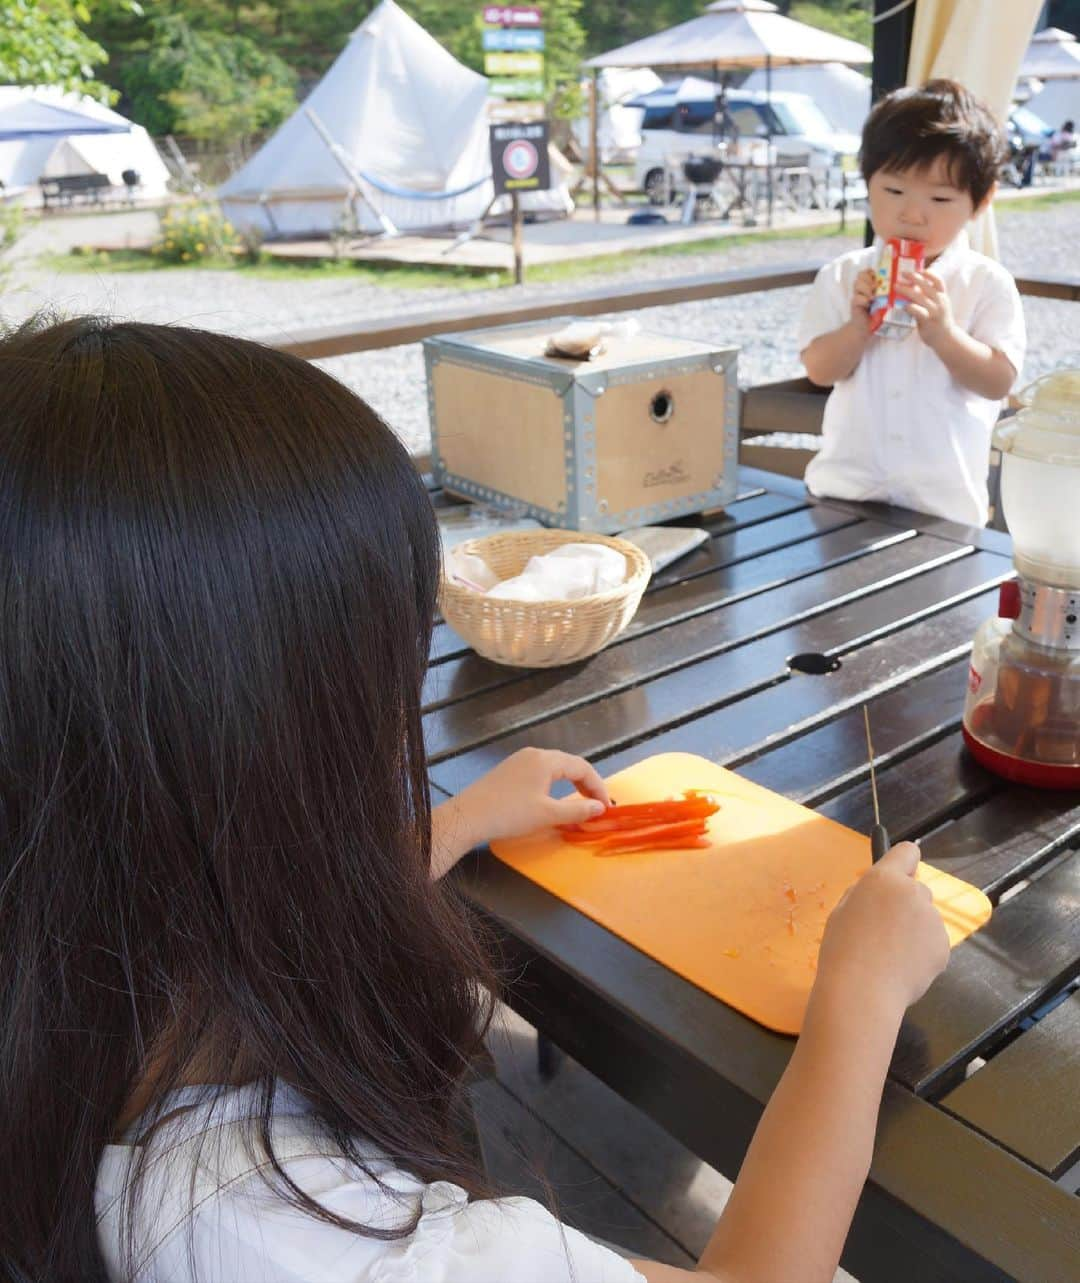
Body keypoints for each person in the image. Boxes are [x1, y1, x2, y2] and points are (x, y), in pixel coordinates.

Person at [0, 317, 950, 1283]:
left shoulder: (78, 985)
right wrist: (859, 999)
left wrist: (457, 822)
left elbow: (216, 895)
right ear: (262, 755)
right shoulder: (298, 1239)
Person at [799, 79, 1026, 528]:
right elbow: (820, 370)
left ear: (981, 202)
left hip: (943, 507)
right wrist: (857, 328)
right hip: (844, 493)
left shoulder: (986, 283)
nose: (912, 214)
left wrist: (944, 334)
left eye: (940, 198)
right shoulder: (843, 275)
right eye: (894, 191)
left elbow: (999, 381)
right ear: (868, 184)